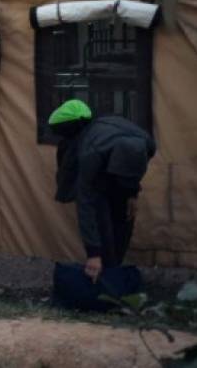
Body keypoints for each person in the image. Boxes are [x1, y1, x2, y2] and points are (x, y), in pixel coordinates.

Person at [48, 99, 156, 283]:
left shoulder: (148, 144)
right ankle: (104, 278)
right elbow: (85, 205)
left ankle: (111, 276)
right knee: (102, 228)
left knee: (123, 226)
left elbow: (134, 170)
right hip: (98, 180)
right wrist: (93, 253)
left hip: (116, 179)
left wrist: (132, 194)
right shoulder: (90, 155)